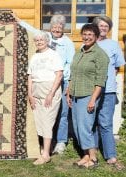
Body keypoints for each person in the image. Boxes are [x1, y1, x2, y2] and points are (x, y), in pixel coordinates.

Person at [67, 23, 109, 168]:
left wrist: (92, 100)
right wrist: (68, 93)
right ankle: (85, 155)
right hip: (75, 95)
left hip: (87, 96)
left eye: (90, 34)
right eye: (85, 34)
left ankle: (93, 158)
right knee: (78, 127)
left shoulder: (100, 55)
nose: (87, 37)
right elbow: (73, 74)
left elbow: (100, 81)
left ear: (96, 36)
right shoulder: (80, 51)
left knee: (85, 127)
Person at [92, 16, 126, 170]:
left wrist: (109, 78)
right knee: (91, 123)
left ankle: (110, 155)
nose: (104, 28)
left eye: (107, 26)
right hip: (90, 90)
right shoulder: (89, 44)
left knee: (105, 123)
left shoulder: (113, 45)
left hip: (108, 91)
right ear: (95, 27)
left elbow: (118, 66)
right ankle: (92, 153)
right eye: (101, 25)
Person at [28, 31, 63, 165]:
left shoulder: (54, 55)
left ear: (47, 41)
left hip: (49, 89)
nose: (39, 42)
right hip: (36, 89)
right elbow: (30, 76)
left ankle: (46, 155)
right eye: (36, 40)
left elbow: (59, 75)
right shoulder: (34, 57)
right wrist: (30, 94)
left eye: (41, 40)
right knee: (39, 121)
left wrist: (51, 93)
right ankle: (43, 149)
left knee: (47, 121)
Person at [48, 15, 75, 155]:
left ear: (63, 28)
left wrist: (68, 82)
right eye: (54, 27)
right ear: (50, 27)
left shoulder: (68, 43)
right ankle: (48, 140)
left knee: (63, 112)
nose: (57, 29)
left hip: (62, 81)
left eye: (60, 27)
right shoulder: (46, 38)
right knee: (48, 111)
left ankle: (61, 141)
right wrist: (19, 21)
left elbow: (71, 63)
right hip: (46, 81)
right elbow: (33, 31)